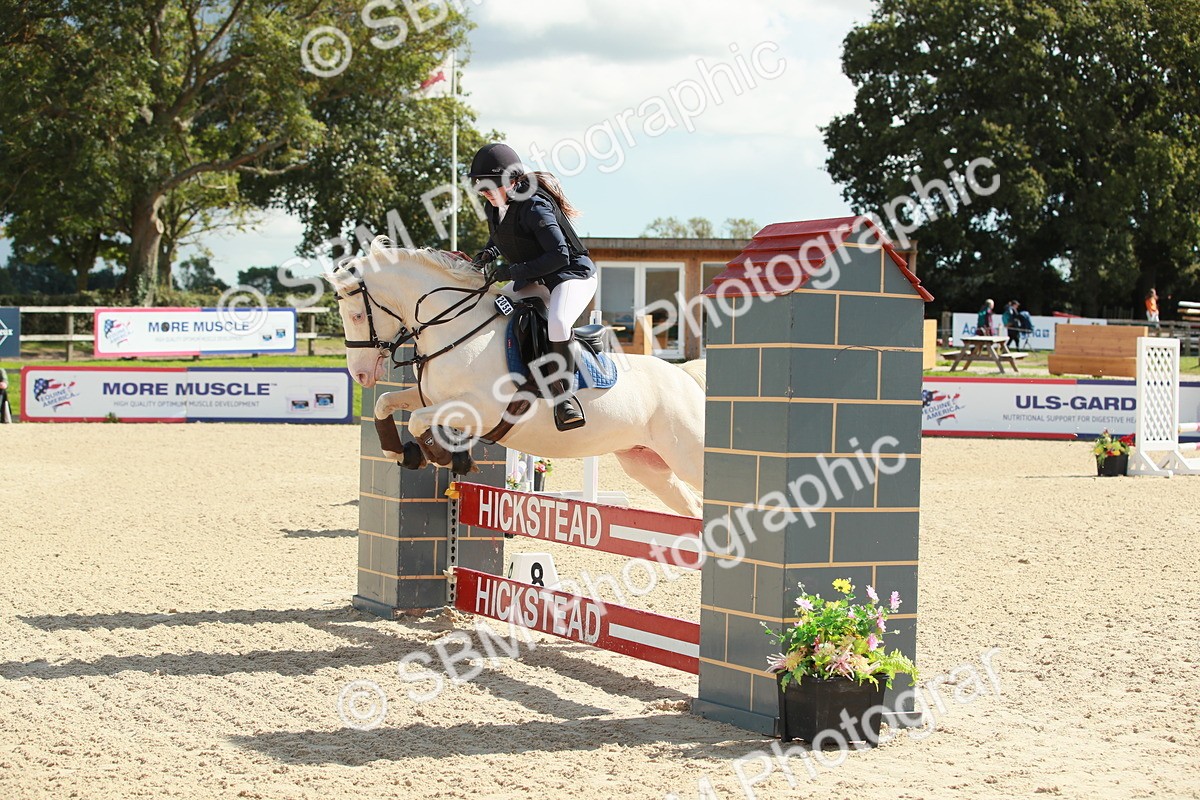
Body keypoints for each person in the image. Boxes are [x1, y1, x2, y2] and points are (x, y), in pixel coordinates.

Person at [467, 143, 597, 432]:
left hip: (571, 276)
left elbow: (559, 255)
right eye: (482, 188)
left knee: (559, 323)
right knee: (493, 306)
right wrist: (488, 254)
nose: (485, 194)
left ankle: (564, 399)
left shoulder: (534, 205)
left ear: (511, 182)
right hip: (536, 278)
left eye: (490, 187)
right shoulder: (496, 205)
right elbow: (503, 236)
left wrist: (513, 271)